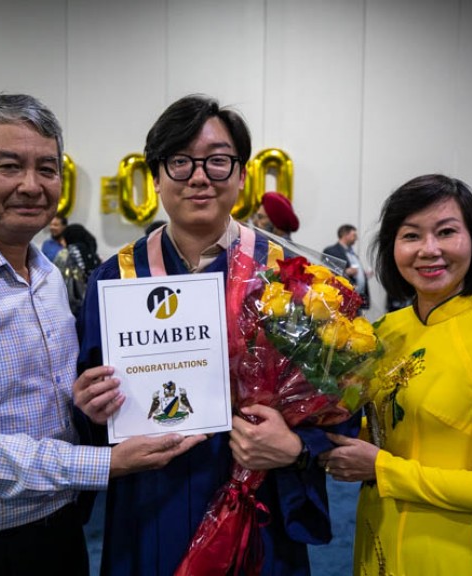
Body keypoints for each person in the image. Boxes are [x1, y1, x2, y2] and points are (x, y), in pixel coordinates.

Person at [0, 93, 203, 575]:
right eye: (9, 166)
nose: (32, 185)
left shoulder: (45, 275)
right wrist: (104, 464)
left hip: (58, 533)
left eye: (47, 169)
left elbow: (38, 399)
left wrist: (81, 403)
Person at [76, 94, 342, 575]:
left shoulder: (293, 280)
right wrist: (92, 409)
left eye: (218, 161)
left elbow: (336, 411)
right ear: (155, 177)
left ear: (242, 175)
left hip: (259, 506)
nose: (199, 176)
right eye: (180, 161)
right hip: (153, 502)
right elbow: (95, 418)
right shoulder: (115, 281)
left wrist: (298, 448)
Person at [319, 174, 472, 575]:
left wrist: (383, 470)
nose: (429, 250)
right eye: (412, 236)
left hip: (454, 552)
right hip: (377, 536)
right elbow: (380, 427)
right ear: (393, 247)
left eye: (446, 232)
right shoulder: (385, 330)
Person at [53, 223, 102, 315]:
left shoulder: (65, 254)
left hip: (71, 306)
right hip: (93, 303)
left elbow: (54, 279)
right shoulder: (94, 255)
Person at [323, 224, 371, 310]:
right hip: (343, 300)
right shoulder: (330, 251)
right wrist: (346, 272)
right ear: (345, 235)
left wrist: (363, 275)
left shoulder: (352, 253)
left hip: (357, 300)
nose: (356, 238)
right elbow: (327, 273)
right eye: (354, 235)